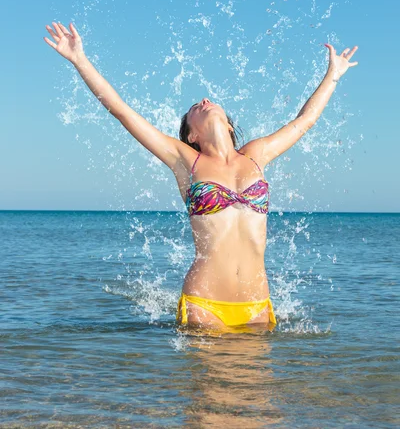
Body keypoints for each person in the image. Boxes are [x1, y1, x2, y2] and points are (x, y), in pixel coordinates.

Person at [44, 21, 359, 332]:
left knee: (259, 386)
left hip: (257, 305)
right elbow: (123, 111)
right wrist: (79, 60)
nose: (205, 101)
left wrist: (333, 74)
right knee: (209, 385)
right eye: (196, 107)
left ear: (230, 126)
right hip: (203, 304)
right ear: (191, 135)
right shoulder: (185, 161)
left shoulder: (256, 155)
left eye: (209, 102)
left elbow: (305, 121)